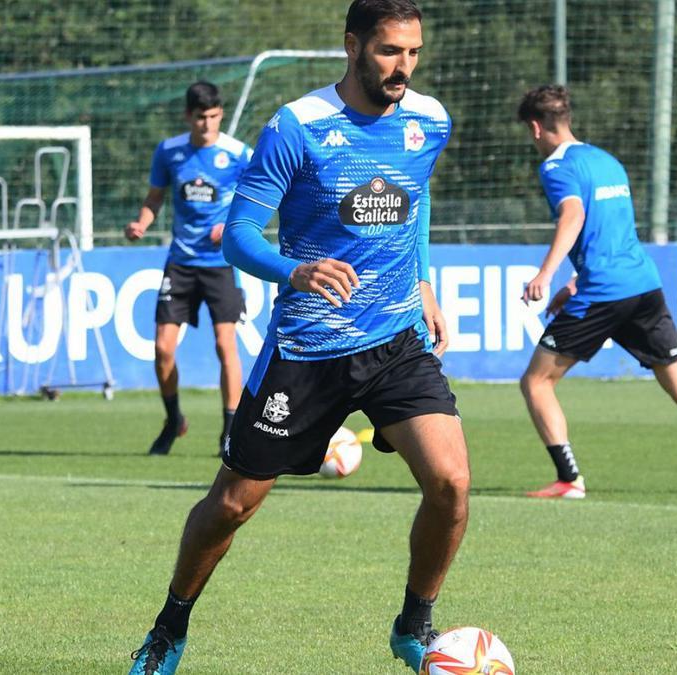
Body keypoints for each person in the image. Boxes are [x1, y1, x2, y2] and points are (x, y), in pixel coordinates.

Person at [127, 1, 468, 673]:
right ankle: (170, 627)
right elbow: (242, 237)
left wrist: (424, 282)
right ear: (351, 46)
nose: (403, 66)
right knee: (231, 505)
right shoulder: (297, 127)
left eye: (413, 52)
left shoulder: (429, 121)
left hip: (397, 339)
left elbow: (416, 197)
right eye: (388, 51)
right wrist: (295, 270)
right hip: (308, 351)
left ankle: (414, 622)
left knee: (452, 482)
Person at [515, 84, 677, 500]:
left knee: (537, 382)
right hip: (643, 287)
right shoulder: (607, 161)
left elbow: (574, 215)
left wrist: (545, 274)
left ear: (536, 128)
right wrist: (571, 284)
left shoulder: (555, 168)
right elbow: (611, 236)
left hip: (605, 292)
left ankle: (569, 479)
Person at [125, 82, 253, 456]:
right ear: (187, 116)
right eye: (200, 118)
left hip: (221, 264)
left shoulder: (237, 154)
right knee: (163, 349)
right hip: (180, 263)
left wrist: (230, 225)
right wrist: (141, 223)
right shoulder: (169, 152)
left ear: (221, 114)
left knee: (224, 344)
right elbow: (154, 198)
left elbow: (256, 201)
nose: (207, 125)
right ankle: (173, 420)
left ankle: (229, 432)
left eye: (214, 117)